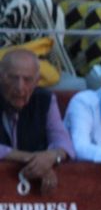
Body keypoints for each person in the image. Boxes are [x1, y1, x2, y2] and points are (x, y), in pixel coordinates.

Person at [0, 48, 73, 194]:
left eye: (27, 80)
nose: (20, 87)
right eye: (13, 78)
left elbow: (64, 143)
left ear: (37, 81)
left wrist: (51, 157)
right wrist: (32, 160)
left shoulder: (45, 99)